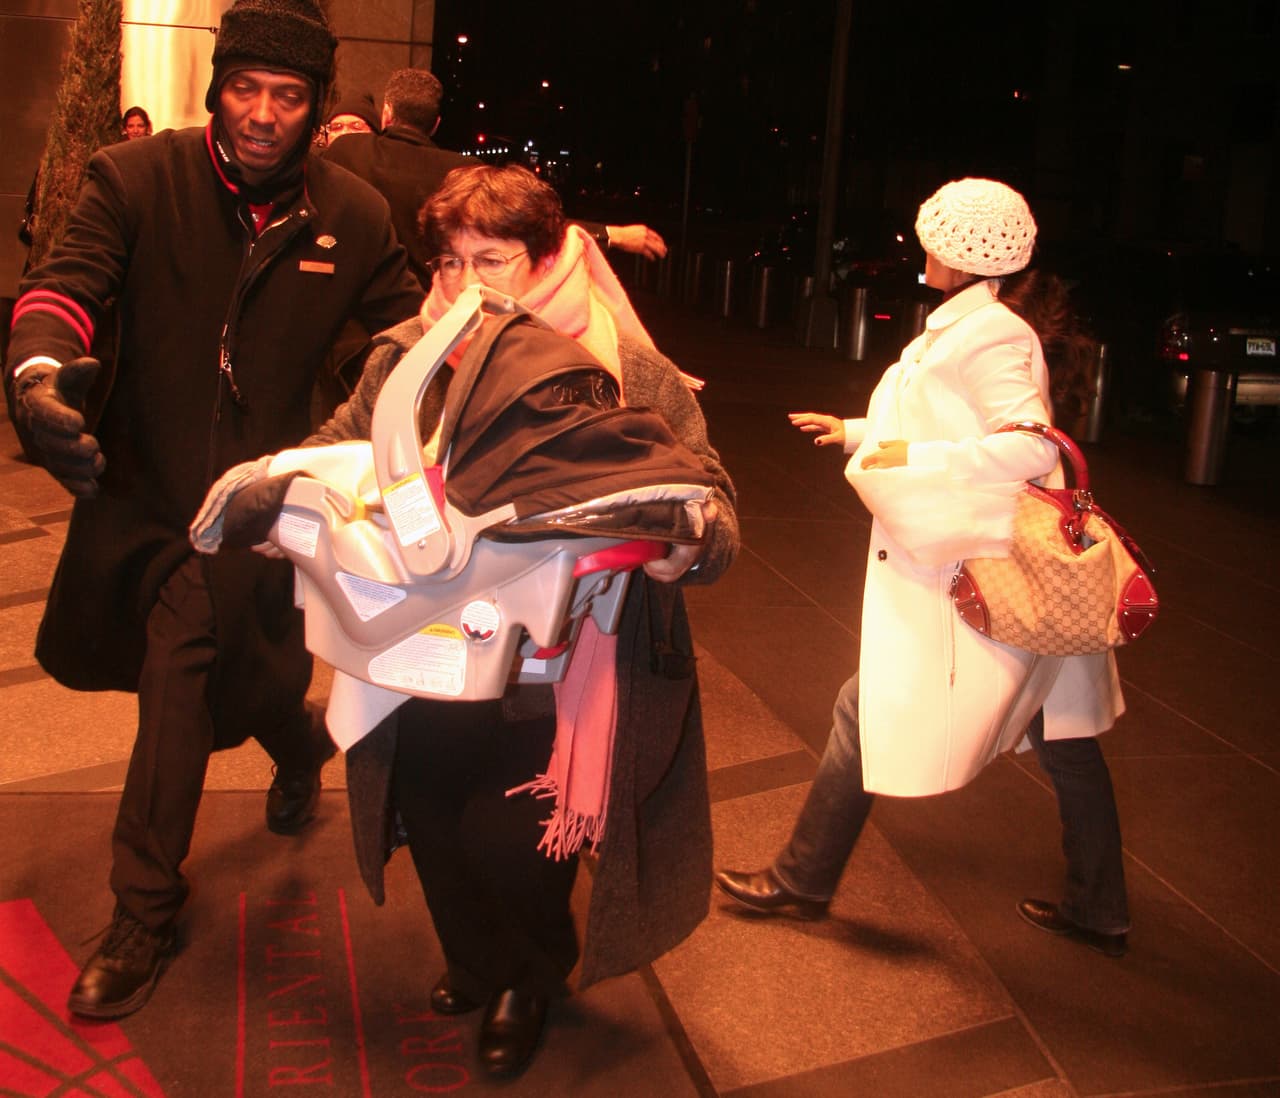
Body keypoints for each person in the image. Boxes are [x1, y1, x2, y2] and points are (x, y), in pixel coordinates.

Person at [193, 162, 738, 1077]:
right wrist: (282, 493)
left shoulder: (623, 370)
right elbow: (334, 445)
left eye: (492, 259)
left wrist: (676, 540)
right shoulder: (407, 357)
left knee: (512, 836)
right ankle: (477, 960)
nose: (465, 283)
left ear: (550, 257)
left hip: (561, 663)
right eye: (449, 261)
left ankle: (531, 976)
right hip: (418, 645)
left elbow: (712, 501)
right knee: (432, 818)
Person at [6, 0, 423, 1021]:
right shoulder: (134, 178)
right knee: (203, 672)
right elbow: (65, 286)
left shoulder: (356, 214)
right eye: (245, 88)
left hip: (263, 504)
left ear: (318, 106)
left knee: (189, 671)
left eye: (288, 95)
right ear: (215, 87)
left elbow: (413, 333)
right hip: (143, 488)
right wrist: (38, 376)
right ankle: (290, 752)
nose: (263, 114)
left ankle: (145, 904)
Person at [715, 178, 1131, 959]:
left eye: (932, 238)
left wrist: (914, 457)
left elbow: (1028, 442)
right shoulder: (974, 325)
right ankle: (1101, 904)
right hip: (1017, 573)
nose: (922, 249)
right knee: (1065, 734)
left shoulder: (989, 334)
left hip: (987, 565)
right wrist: (857, 430)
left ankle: (803, 878)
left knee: (867, 704)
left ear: (962, 253)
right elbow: (946, 416)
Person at [325, 69, 668, 290]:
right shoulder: (465, 173)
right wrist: (611, 234)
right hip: (441, 321)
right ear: (435, 124)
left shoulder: (348, 153)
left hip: (367, 321)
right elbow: (530, 227)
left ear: (386, 114)